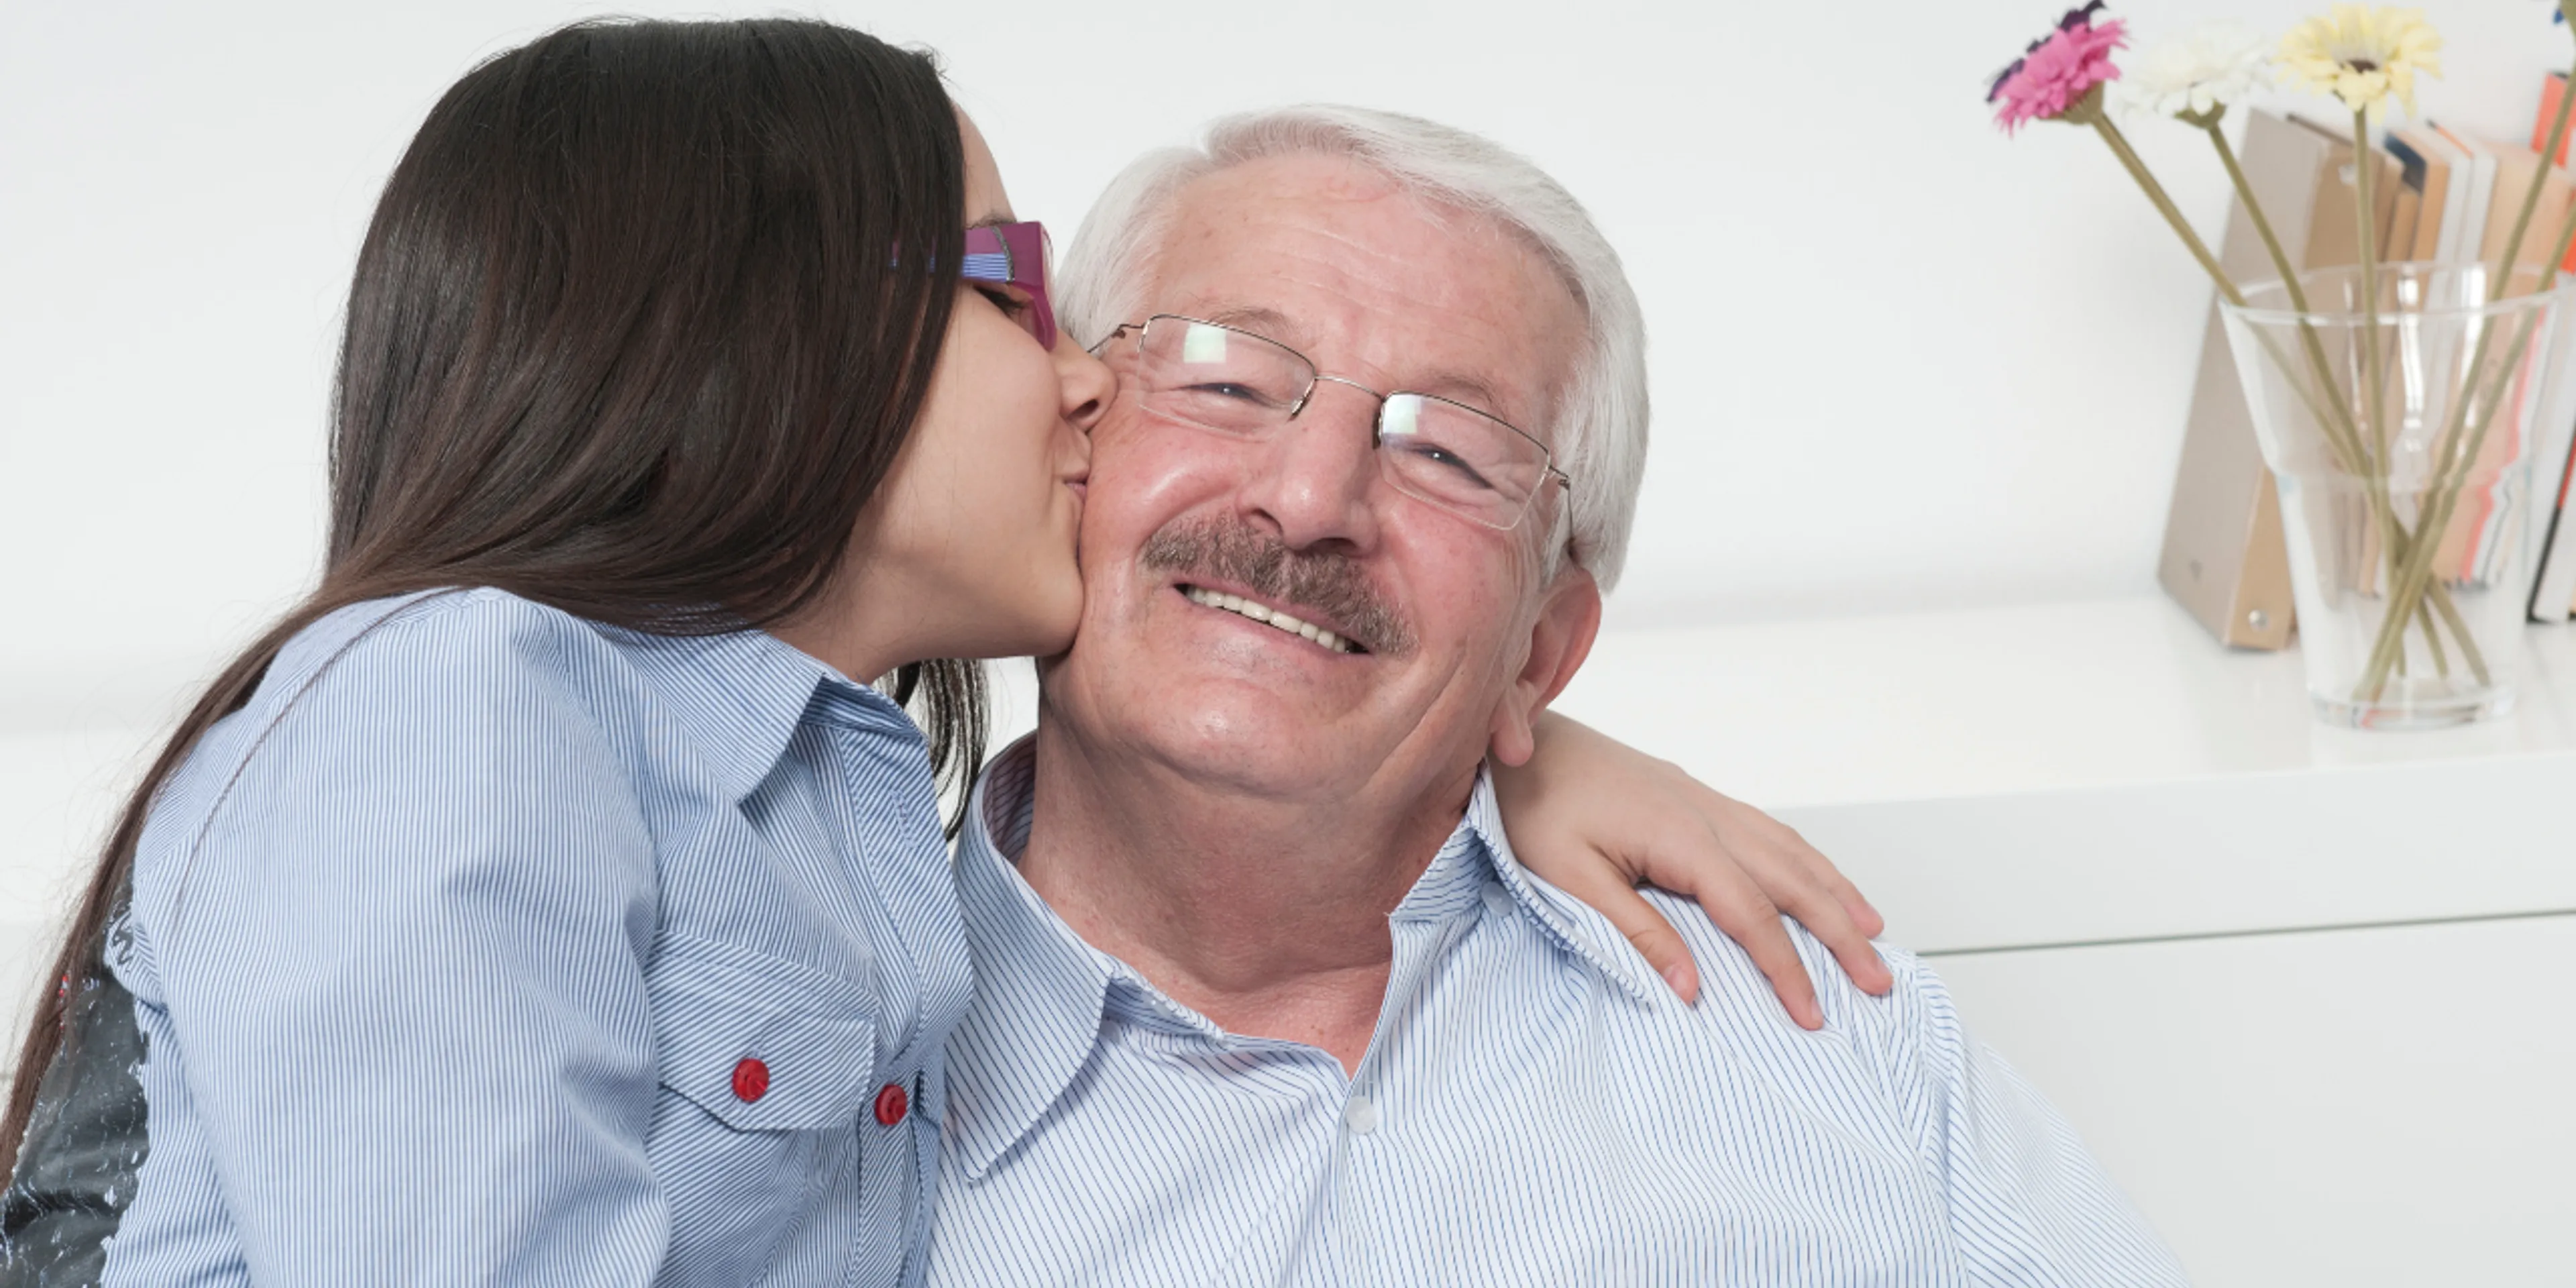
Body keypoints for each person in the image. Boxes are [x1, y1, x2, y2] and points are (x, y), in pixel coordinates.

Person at [0, 19, 1883, 1287]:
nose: (1083, 378)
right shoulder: (455, 707)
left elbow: (1252, 611)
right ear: (758, 333)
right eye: (1011, 294)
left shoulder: (828, 806)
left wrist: (1513, 732)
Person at [923, 105, 2192, 1286]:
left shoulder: (1830, 1033)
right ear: (1064, 442)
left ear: (1540, 650)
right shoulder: (794, 1066)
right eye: (1229, 381)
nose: (1311, 501)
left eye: (1447, 453)